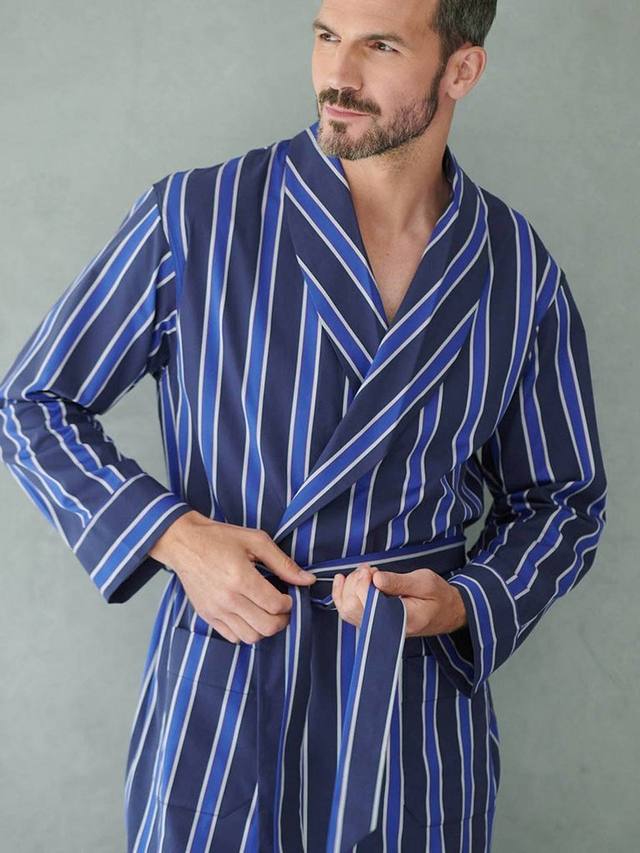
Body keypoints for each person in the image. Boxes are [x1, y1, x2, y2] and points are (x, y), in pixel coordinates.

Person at [0, 0, 608, 851]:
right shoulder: (198, 217)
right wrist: (177, 538)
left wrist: (464, 602)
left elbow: (562, 499)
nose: (337, 76)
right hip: (227, 682)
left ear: (462, 69)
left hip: (409, 711)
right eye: (326, 37)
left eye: (379, 46)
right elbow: (31, 403)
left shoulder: (515, 269)